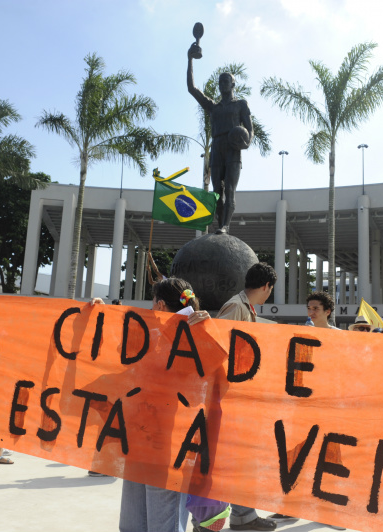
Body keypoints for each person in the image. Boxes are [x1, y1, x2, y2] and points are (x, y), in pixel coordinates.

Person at [120, 278, 211, 532]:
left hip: (165, 448)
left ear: (159, 305)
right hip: (145, 444)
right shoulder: (158, 335)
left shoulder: (191, 336)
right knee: (136, 525)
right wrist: (99, 312)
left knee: (159, 524)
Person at [211, 263, 278, 532]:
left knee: (239, 459)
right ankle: (239, 516)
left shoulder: (245, 308)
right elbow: (218, 346)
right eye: (269, 290)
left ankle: (243, 514)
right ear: (266, 287)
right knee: (234, 459)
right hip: (228, 397)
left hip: (237, 396)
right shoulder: (236, 307)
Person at [187, 43, 253, 234]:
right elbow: (192, 88)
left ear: (233, 84)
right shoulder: (213, 107)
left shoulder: (241, 104)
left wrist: (246, 142)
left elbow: (250, 129)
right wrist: (190, 59)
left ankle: (226, 226)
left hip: (233, 149)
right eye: (220, 82)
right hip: (217, 148)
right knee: (217, 192)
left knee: (230, 189)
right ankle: (220, 224)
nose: (223, 84)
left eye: (226, 81)